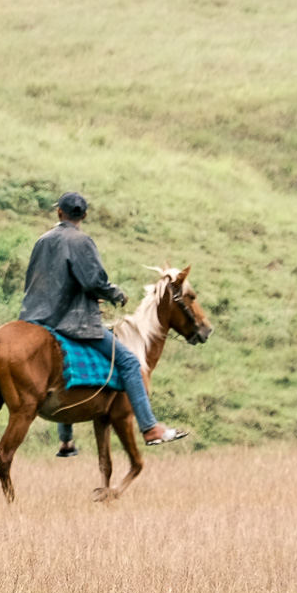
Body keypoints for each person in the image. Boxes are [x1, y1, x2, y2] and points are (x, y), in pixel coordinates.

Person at [19, 191, 187, 455]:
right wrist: (115, 294)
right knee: (130, 363)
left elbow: (43, 281)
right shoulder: (82, 241)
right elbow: (93, 282)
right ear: (83, 216)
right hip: (74, 323)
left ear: (58, 212)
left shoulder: (43, 240)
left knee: (62, 371)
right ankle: (150, 427)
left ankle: (66, 441)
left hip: (36, 318)